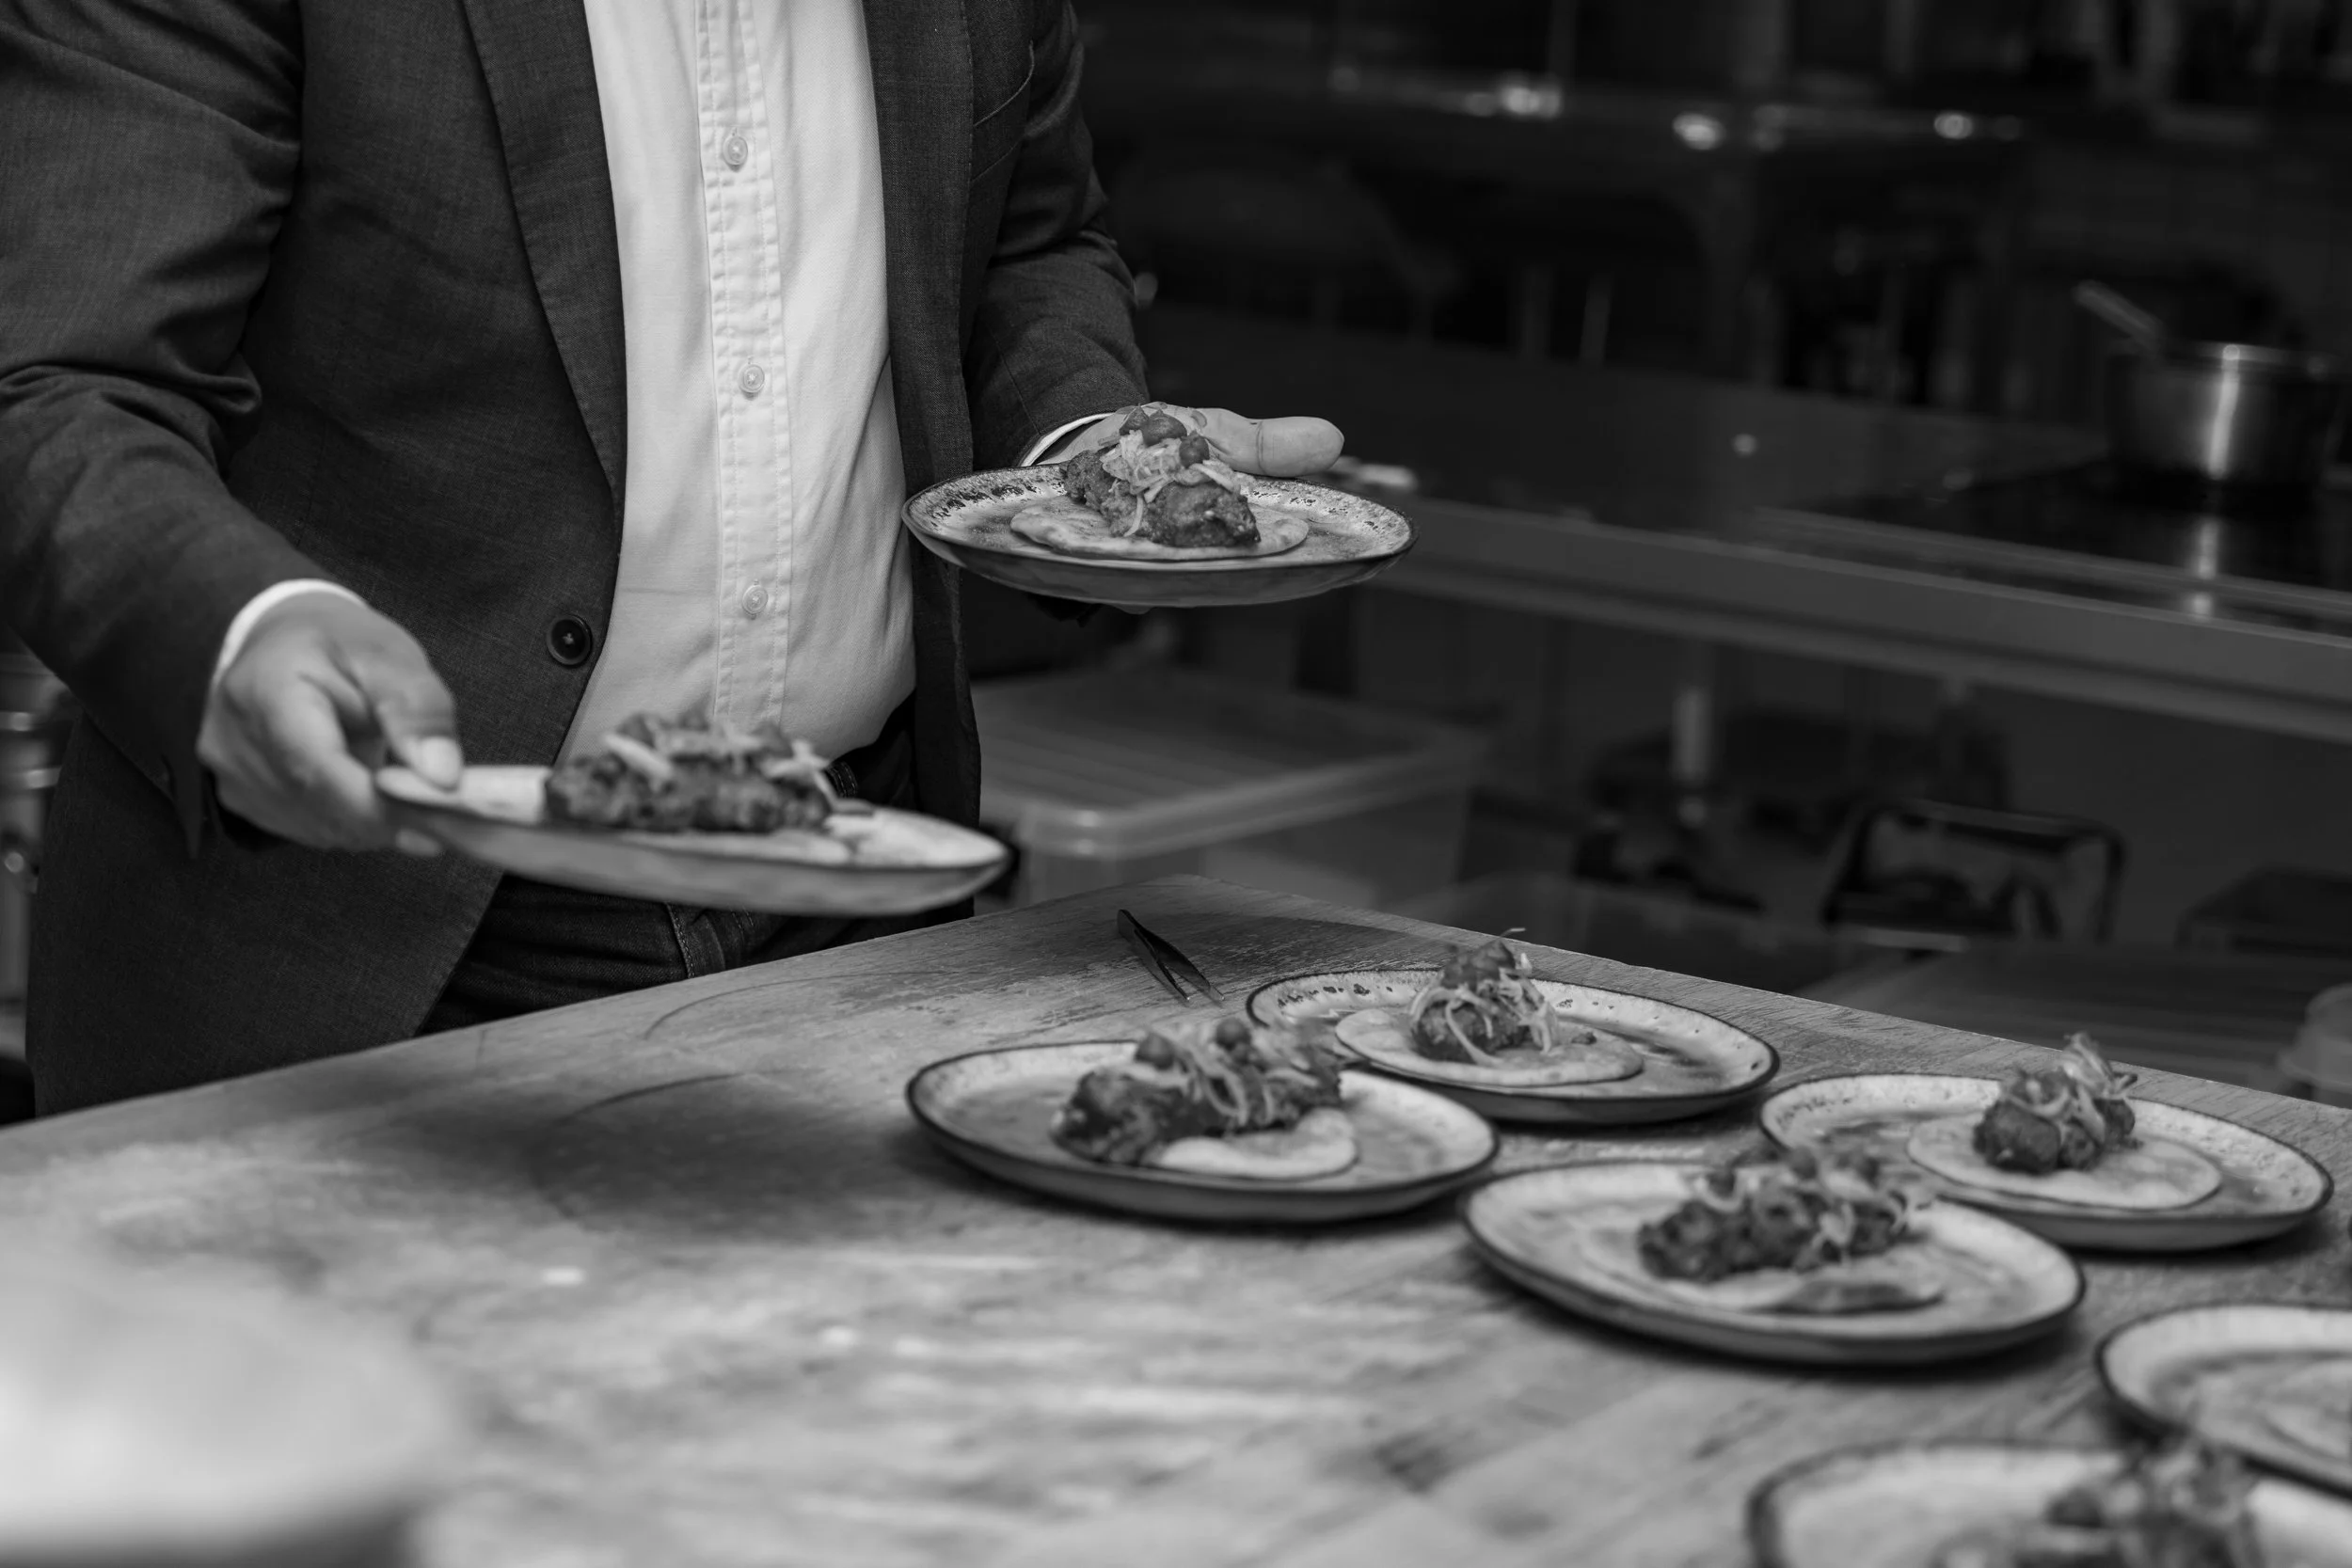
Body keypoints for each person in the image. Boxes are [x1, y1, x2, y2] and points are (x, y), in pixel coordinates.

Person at [0, 0, 1343, 1113]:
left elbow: (1029, 242)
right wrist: (239, 627)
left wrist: (1097, 466)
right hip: (359, 938)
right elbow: (57, 378)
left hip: (861, 907)